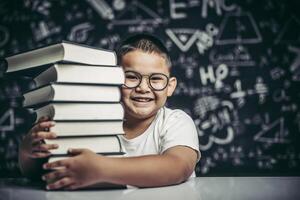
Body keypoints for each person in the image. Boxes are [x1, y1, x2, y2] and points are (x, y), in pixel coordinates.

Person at [18, 33, 200, 190]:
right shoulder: (88, 122)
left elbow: (178, 167)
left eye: (156, 79)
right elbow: (42, 174)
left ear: (170, 86)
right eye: (131, 77)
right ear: (112, 79)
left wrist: (101, 169)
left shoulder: (176, 122)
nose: (143, 88)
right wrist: (28, 151)